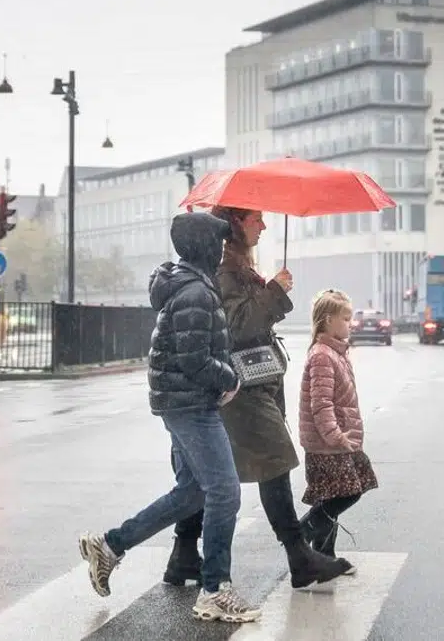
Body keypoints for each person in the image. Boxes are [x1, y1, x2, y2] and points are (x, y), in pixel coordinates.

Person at [78, 211, 261, 624]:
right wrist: (229, 376)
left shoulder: (188, 285)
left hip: (182, 401)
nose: (220, 250)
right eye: (215, 243)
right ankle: (215, 589)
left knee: (194, 492)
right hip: (191, 404)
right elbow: (195, 358)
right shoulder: (195, 292)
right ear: (202, 246)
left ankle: (110, 545)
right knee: (225, 492)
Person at [161, 205, 351, 590]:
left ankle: (183, 554)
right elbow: (237, 326)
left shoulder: (237, 267)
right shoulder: (223, 270)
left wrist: (268, 291)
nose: (264, 225)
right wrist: (274, 291)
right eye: (255, 219)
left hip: (244, 385)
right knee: (275, 459)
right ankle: (299, 555)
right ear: (235, 224)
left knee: (204, 475)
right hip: (238, 386)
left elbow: (248, 318)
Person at [297, 289, 378, 566]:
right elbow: (321, 404)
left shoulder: (335, 352)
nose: (350, 323)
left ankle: (323, 556)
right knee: (348, 491)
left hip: (340, 440)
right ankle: (301, 534)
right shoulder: (322, 355)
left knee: (333, 495)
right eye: (345, 318)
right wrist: (335, 436)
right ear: (328, 320)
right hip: (330, 443)